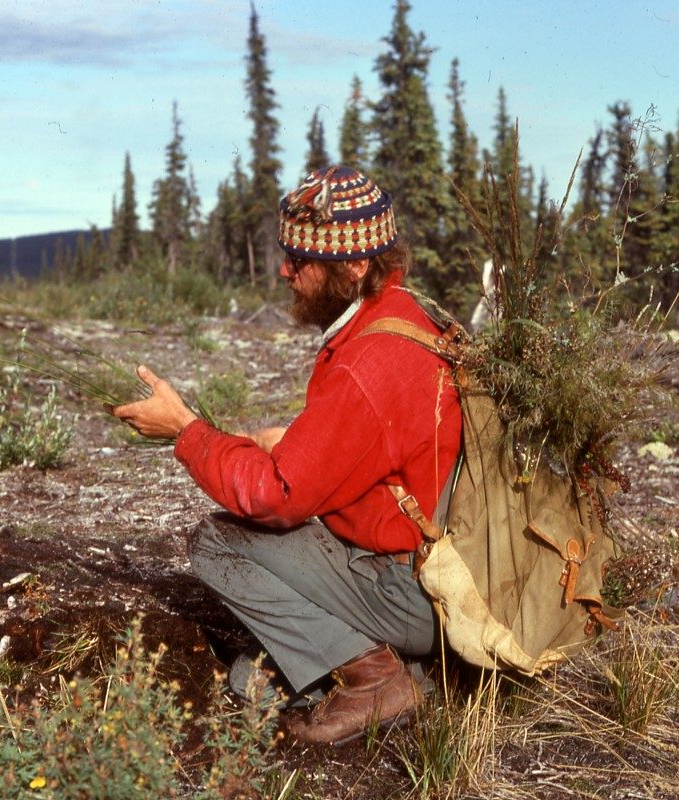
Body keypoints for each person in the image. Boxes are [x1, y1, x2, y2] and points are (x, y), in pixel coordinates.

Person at [111, 165, 462, 745]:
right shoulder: (407, 317)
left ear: (354, 266)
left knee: (218, 542)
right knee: (251, 679)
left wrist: (186, 431)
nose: (285, 271)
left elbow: (275, 499)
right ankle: (410, 668)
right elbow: (375, 444)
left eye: (300, 260)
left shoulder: (368, 362)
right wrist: (287, 440)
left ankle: (374, 678)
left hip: (409, 590)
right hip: (437, 576)